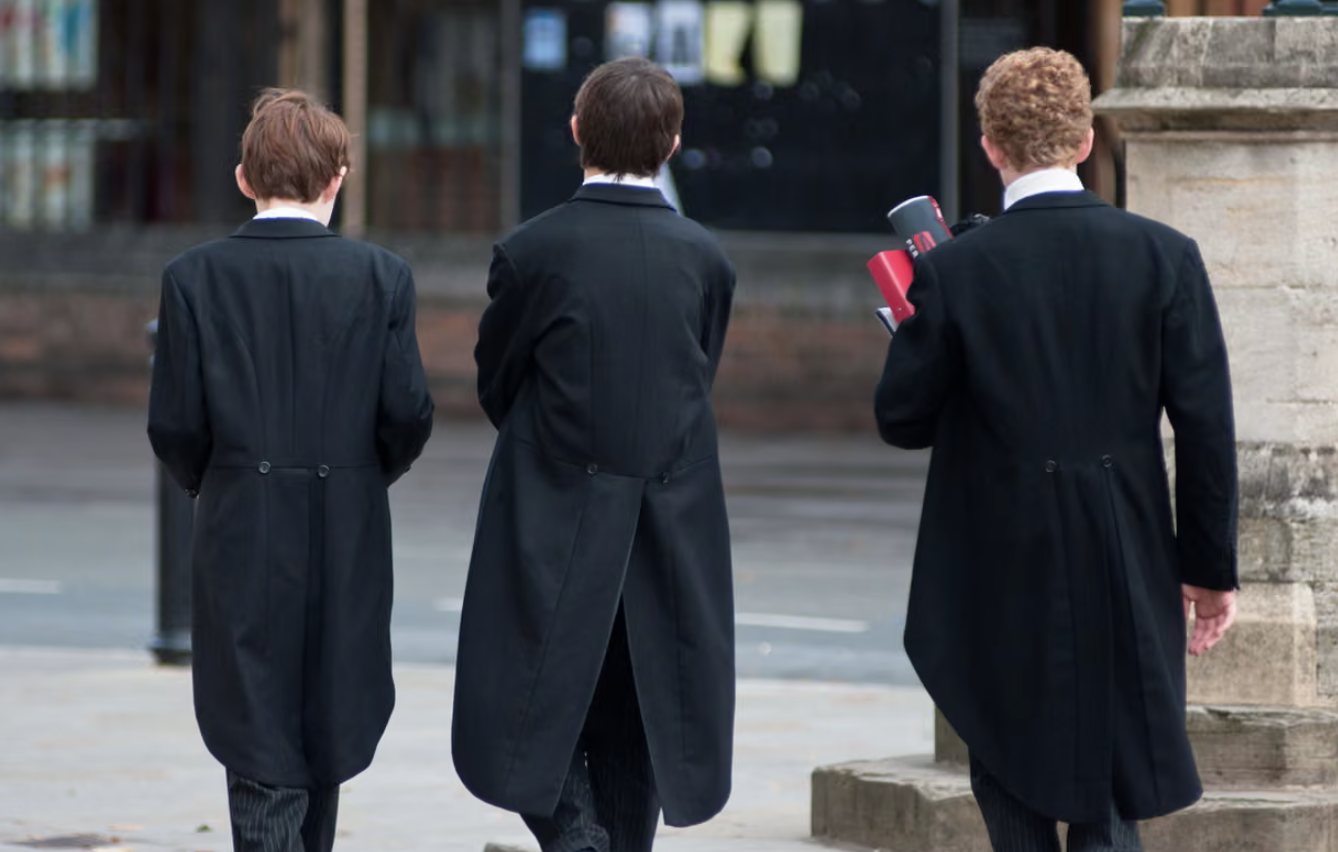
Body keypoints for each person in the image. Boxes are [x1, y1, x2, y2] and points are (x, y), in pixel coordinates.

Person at [874, 48, 1239, 852]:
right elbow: (1207, 428)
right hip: (1124, 543)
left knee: (1007, 758)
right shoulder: (1164, 253)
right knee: (1111, 777)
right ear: (1085, 140)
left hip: (998, 552)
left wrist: (911, 331)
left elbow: (902, 417)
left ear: (990, 147)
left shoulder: (955, 269)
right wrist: (1210, 570)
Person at [452, 57, 736, 852]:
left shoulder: (532, 251)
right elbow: (694, 378)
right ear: (673, 143)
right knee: (639, 713)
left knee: (524, 707)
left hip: (550, 514)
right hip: (666, 524)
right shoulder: (705, 258)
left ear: (577, 131)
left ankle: (576, 832)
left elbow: (498, 382)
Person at [147, 88, 434, 852]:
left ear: (244, 178)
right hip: (348, 523)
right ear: (338, 178)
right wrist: (360, 475)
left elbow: (175, 425)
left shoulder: (193, 277)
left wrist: (223, 480)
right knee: (330, 717)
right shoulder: (381, 276)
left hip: (241, 519)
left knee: (255, 721)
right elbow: (407, 414)